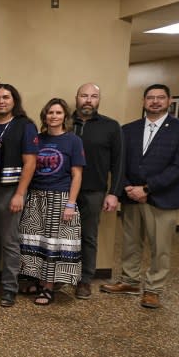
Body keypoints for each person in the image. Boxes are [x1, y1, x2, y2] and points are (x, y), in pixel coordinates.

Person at [102, 84, 179, 309]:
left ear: (168, 100)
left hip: (162, 199)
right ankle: (129, 281)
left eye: (160, 98)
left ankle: (153, 289)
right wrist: (128, 188)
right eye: (150, 98)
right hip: (131, 196)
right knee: (130, 242)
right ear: (144, 101)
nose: (155, 101)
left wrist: (147, 189)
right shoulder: (128, 130)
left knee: (160, 247)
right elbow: (119, 163)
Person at [18, 98, 85, 305]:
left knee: (54, 244)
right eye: (50, 113)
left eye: (58, 113)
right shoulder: (37, 139)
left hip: (60, 198)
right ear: (44, 116)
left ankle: (48, 288)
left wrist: (71, 204)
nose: (53, 116)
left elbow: (77, 175)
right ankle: (38, 282)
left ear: (65, 116)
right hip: (37, 196)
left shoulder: (73, 141)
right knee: (37, 243)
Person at [0, 84, 38, 307]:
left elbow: (30, 163)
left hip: (10, 190)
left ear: (14, 100)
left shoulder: (25, 126)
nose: (1, 101)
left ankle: (10, 288)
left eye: (6, 97)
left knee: (9, 241)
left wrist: (20, 194)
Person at [72, 83, 123, 300]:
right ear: (77, 98)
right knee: (59, 235)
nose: (88, 100)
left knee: (88, 236)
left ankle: (85, 280)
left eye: (93, 96)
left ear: (99, 100)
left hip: (94, 191)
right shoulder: (63, 122)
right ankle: (56, 277)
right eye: (84, 96)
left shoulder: (111, 126)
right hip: (61, 190)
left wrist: (114, 193)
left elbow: (119, 162)